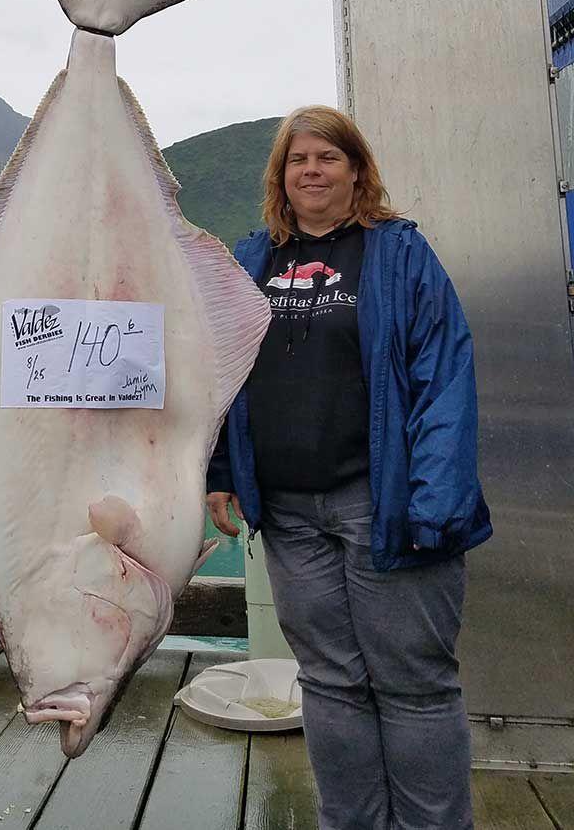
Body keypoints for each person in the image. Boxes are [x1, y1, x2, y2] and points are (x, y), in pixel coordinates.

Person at [206, 106, 491, 830]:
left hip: (386, 504)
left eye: (327, 156)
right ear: (280, 177)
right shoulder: (250, 261)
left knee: (413, 685)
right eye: (298, 159)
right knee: (330, 684)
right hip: (290, 516)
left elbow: (444, 376)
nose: (311, 169)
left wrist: (434, 503)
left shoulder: (396, 254)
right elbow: (222, 375)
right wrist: (220, 468)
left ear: (357, 169)